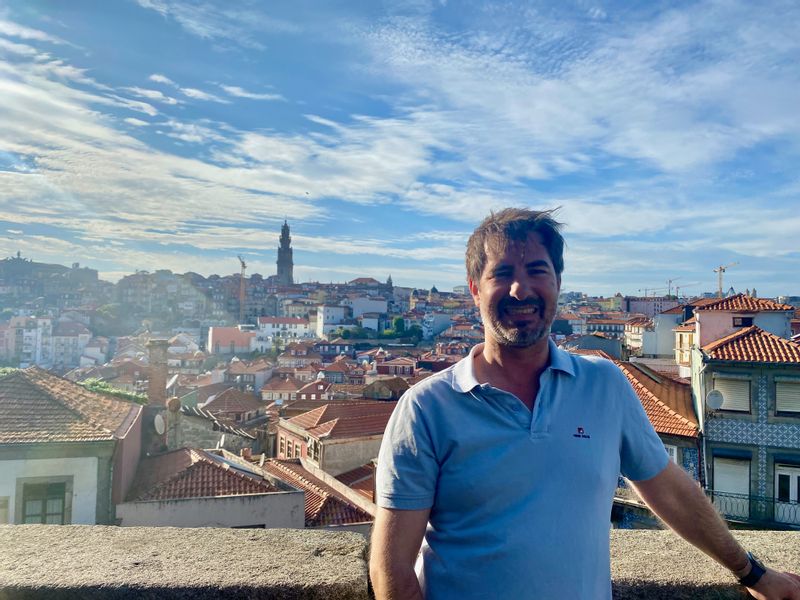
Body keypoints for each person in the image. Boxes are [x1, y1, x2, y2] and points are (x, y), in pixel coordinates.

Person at [369, 208, 800, 599]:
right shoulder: (426, 409)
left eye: (537, 270)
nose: (521, 288)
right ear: (474, 291)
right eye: (502, 273)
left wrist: (753, 574)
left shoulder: (604, 383)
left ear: (557, 283)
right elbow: (392, 570)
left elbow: (667, 487)